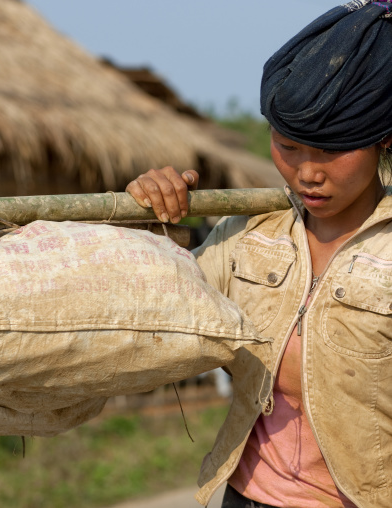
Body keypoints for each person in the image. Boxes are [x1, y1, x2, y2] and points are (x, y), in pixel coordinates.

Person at [126, 2, 392, 507]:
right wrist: (155, 222)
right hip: (246, 496)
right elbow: (158, 317)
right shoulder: (244, 239)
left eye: (331, 151)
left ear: (383, 139)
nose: (307, 173)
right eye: (288, 147)